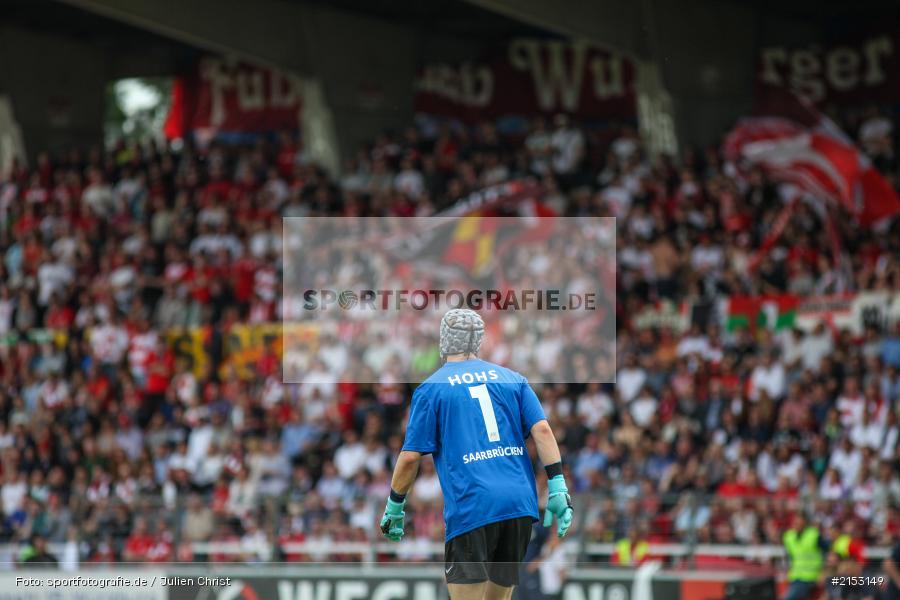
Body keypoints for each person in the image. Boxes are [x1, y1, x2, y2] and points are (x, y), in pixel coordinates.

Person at [380, 309, 574, 600]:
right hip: (518, 505)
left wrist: (395, 505)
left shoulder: (431, 389)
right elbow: (543, 431)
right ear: (478, 341)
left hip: (473, 506)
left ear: (444, 341)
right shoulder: (513, 379)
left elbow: (410, 458)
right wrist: (558, 485)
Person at [781, 513, 827, 600]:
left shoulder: (814, 535)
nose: (797, 525)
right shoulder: (789, 537)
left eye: (800, 522)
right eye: (795, 523)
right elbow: (790, 556)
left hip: (811, 577)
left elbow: (827, 552)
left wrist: (823, 571)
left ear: (805, 523)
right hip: (795, 576)